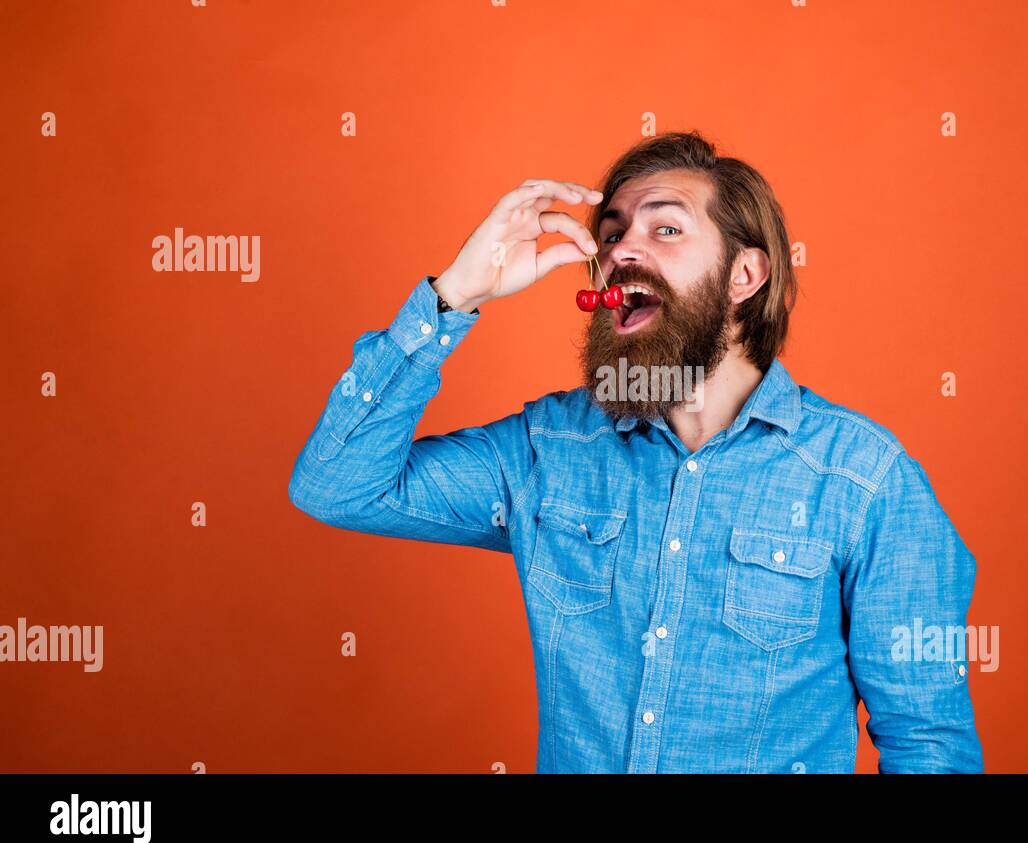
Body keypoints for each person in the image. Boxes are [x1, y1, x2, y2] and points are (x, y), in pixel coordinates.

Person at [288, 131, 983, 773]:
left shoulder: (865, 480)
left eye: (666, 227)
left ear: (745, 276)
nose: (621, 251)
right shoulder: (549, 451)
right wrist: (454, 295)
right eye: (612, 233)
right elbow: (337, 487)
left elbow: (929, 743)